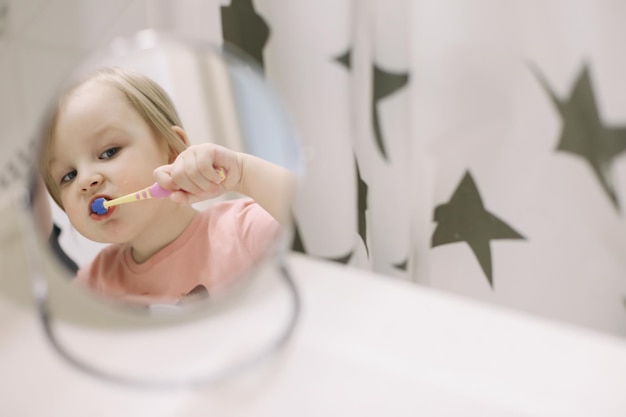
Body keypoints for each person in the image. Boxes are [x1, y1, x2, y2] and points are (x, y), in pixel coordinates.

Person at [38, 66, 294, 306]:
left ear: (171, 151)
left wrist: (243, 174)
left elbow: (309, 212)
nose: (85, 181)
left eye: (109, 152)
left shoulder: (240, 232)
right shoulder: (94, 285)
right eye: (68, 176)